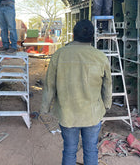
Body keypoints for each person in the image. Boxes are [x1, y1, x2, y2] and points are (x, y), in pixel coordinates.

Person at [41, 19, 112, 165]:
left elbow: (49, 85)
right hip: (92, 114)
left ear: (74, 35)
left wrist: (45, 107)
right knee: (91, 150)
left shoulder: (59, 55)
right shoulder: (100, 57)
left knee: (69, 150)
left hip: (68, 114)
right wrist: (106, 104)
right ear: (92, 36)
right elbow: (108, 84)